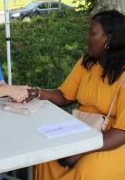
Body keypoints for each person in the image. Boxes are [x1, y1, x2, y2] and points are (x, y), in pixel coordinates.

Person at [30, 10, 125, 180]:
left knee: (88, 170)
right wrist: (37, 92)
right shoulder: (87, 62)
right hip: (81, 129)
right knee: (46, 157)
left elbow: (121, 132)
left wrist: (81, 150)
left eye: (92, 33)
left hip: (111, 140)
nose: (87, 38)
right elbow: (64, 96)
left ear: (109, 39)